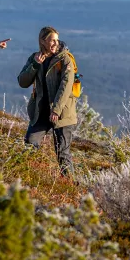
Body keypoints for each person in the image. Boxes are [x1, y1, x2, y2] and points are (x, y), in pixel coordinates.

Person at [18, 26, 77, 178]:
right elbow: (22, 82)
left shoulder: (65, 59)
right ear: (43, 41)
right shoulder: (35, 58)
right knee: (30, 144)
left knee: (62, 153)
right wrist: (35, 65)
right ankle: (28, 180)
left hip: (62, 114)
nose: (55, 43)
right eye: (52, 40)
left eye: (57, 40)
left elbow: (65, 87)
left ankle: (71, 187)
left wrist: (56, 110)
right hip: (41, 112)